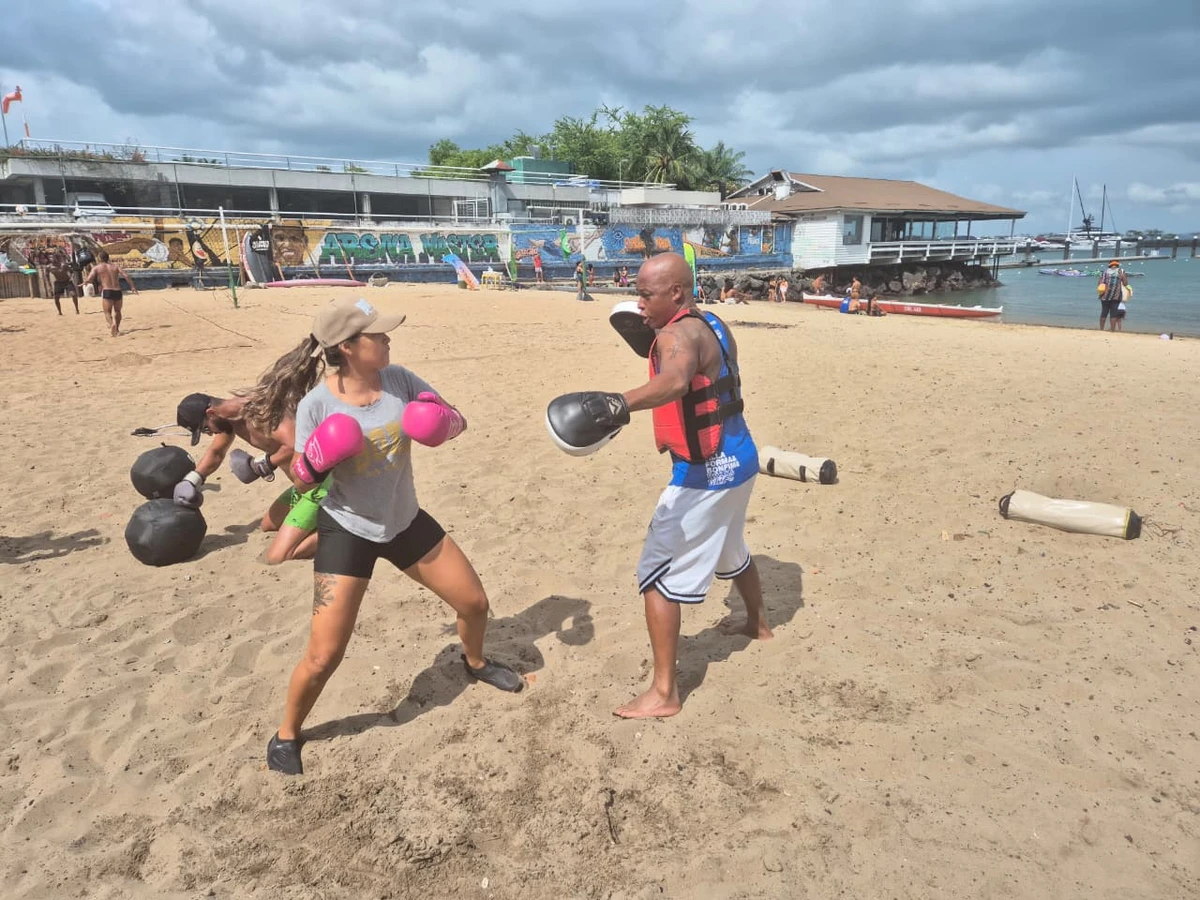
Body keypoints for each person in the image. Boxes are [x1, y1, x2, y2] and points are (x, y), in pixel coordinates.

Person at [268, 297, 522, 775]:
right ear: (346, 347)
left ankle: (475, 662)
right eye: (377, 335)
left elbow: (456, 417)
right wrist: (312, 463)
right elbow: (302, 482)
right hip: (348, 530)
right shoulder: (315, 405)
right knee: (323, 656)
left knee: (473, 604)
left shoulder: (401, 380)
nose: (387, 339)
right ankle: (286, 733)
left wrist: (441, 421)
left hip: (405, 521)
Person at [550, 253, 770, 719]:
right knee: (732, 548)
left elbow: (673, 380)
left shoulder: (675, 334)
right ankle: (758, 625)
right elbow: (694, 365)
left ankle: (664, 692)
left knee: (656, 575)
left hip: (704, 476)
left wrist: (616, 404)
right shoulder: (712, 321)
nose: (639, 302)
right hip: (741, 459)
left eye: (647, 294)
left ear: (676, 293)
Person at [174, 347, 327, 565]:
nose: (211, 434)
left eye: (206, 428)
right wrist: (194, 479)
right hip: (300, 487)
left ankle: (346, 530)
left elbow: (295, 444)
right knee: (268, 525)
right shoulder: (228, 421)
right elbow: (216, 453)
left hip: (321, 485)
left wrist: (263, 465)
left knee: (280, 555)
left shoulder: (257, 411)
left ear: (210, 413)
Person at [83, 250, 138, 336]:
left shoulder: (97, 267)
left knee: (107, 312)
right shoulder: (115, 267)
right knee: (118, 311)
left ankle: (112, 324)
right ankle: (117, 329)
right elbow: (126, 276)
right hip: (118, 291)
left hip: (107, 290)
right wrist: (133, 286)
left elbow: (90, 278)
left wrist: (85, 282)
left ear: (99, 258)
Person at [1097, 260, 1128, 331]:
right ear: (1118, 265)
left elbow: (1099, 284)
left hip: (1104, 295)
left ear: (1109, 265)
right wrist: (1123, 276)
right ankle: (1112, 330)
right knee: (1113, 314)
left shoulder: (1104, 272)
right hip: (1116, 296)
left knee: (1104, 312)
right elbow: (1125, 284)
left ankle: (1101, 329)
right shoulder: (1121, 272)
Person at [47, 251, 79, 315]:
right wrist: (49, 284)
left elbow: (71, 271)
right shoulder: (49, 267)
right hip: (58, 282)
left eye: (53, 257)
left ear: (56, 258)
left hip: (67, 281)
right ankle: (59, 312)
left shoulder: (63, 265)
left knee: (74, 294)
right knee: (56, 298)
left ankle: (77, 309)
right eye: (50, 258)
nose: (52, 259)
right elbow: (46, 275)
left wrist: (71, 277)